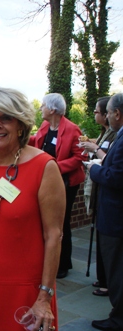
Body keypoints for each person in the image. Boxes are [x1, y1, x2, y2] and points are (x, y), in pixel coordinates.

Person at [0, 86, 64, 331]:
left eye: (5, 117)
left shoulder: (44, 167)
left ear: (20, 124)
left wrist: (44, 296)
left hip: (24, 291)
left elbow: (54, 235)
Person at [29, 93, 86, 279]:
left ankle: (63, 264)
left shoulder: (72, 129)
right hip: (47, 181)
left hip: (66, 182)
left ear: (52, 109)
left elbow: (80, 157)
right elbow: (36, 142)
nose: (40, 108)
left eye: (43, 105)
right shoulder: (46, 126)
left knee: (61, 223)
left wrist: (54, 168)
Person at [88, 93, 123, 331]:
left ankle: (119, 317)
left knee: (117, 268)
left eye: (108, 112)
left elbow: (116, 177)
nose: (107, 116)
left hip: (116, 218)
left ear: (117, 114)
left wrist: (93, 169)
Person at [78, 96, 117, 297]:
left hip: (111, 202)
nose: (95, 114)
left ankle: (109, 284)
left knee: (111, 248)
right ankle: (104, 278)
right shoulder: (107, 133)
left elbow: (113, 172)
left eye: (98, 111)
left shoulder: (116, 136)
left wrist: (94, 161)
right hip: (102, 196)